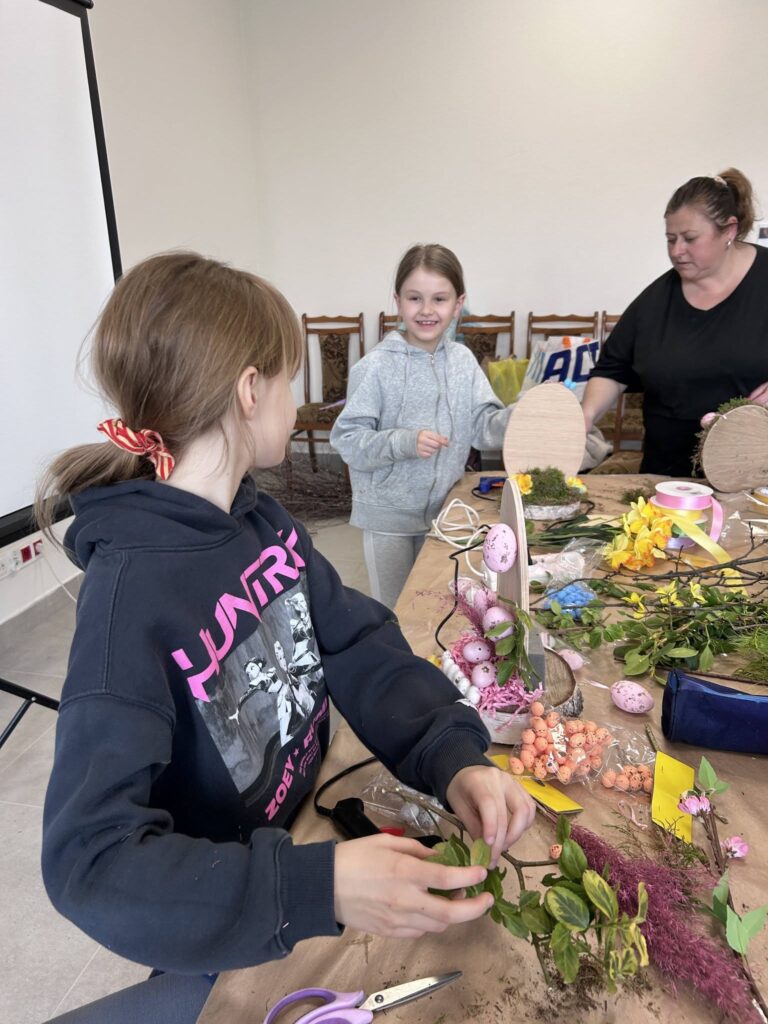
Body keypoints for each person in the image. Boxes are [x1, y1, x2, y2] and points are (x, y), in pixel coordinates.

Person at [36, 252, 535, 1024]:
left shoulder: (260, 519)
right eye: (290, 378)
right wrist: (316, 887)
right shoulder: (128, 599)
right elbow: (91, 863)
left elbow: (356, 643)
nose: (296, 402)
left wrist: (451, 754)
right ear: (248, 389)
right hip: (235, 911)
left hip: (308, 827)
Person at [330, 243, 512, 608]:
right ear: (398, 301)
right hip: (388, 520)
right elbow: (347, 440)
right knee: (397, 611)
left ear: (458, 303)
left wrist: (523, 416)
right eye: (415, 298)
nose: (427, 310)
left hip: (447, 513)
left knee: (438, 610)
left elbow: (483, 426)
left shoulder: (462, 361)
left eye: (439, 299)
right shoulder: (376, 366)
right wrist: (403, 442)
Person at [582, 167, 768, 478]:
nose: (677, 251)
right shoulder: (655, 302)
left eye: (690, 239)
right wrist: (585, 415)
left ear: (729, 230)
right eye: (671, 239)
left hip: (756, 477)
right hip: (669, 478)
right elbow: (612, 370)